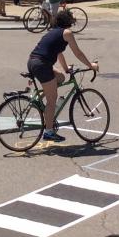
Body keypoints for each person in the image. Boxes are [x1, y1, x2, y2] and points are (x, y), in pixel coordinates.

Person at [27, 9, 100, 142]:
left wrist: (66, 69)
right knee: (52, 100)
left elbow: (59, 53)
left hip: (34, 61)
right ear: (69, 21)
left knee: (61, 77)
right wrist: (91, 65)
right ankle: (48, 132)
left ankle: (39, 96)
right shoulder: (67, 33)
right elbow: (78, 53)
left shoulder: (54, 32)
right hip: (41, 65)